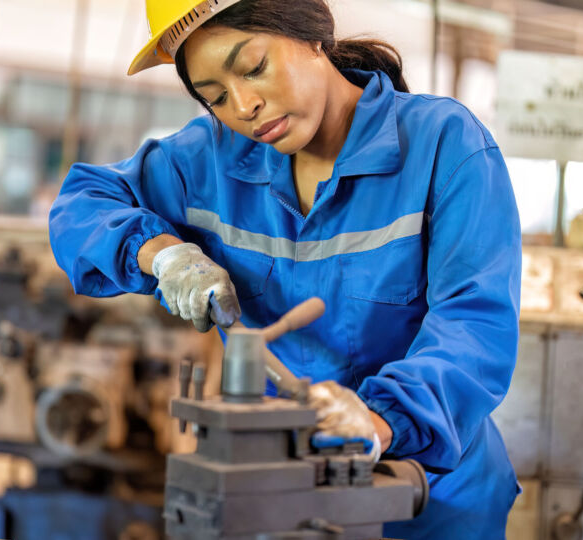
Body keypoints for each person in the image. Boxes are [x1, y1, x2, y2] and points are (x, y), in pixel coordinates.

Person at [48, 0, 522, 537]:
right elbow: (82, 204)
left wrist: (380, 418)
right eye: (216, 97)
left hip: (428, 496)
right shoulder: (210, 161)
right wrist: (162, 253)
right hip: (276, 491)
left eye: (254, 68)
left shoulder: (442, 145)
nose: (244, 106)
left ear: (311, 33)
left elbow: (475, 326)